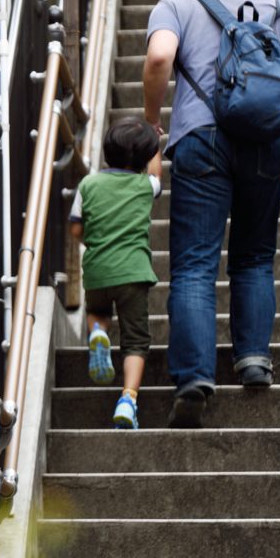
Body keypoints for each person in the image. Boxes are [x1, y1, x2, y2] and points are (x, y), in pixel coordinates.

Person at [143, 0, 280, 428]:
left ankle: (195, 376)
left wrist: (154, 122)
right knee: (255, 256)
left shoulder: (177, 4)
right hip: (268, 143)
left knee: (196, 263)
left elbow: (158, 59)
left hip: (201, 140)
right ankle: (254, 360)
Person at [70, 116, 162, 430]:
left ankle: (97, 334)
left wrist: (93, 241)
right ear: (146, 159)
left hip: (97, 268)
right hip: (133, 272)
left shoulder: (88, 184)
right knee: (136, 342)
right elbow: (156, 173)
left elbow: (76, 228)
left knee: (97, 311)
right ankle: (128, 398)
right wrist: (156, 144)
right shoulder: (145, 185)